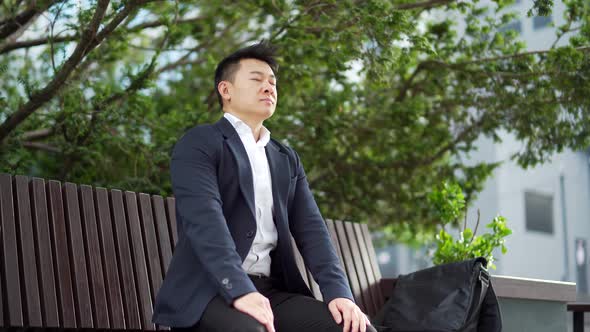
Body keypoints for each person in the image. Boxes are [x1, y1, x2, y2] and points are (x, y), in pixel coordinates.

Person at [152, 41, 376, 332]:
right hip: (209, 293)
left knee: (354, 328)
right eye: (256, 79)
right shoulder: (200, 144)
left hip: (272, 293)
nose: (269, 87)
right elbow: (206, 224)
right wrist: (241, 290)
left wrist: (340, 294)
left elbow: (313, 231)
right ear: (226, 90)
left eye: (272, 82)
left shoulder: (285, 158)